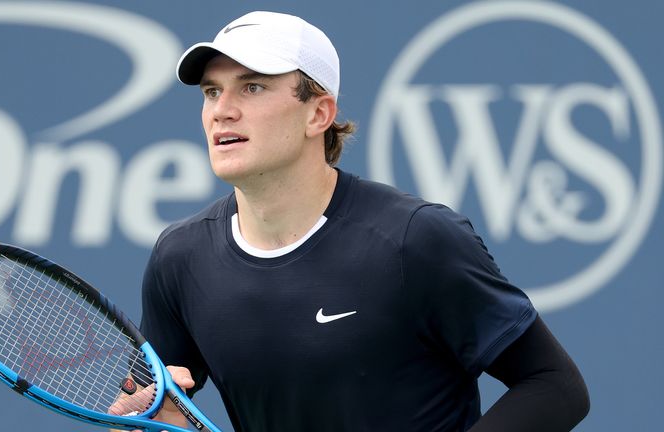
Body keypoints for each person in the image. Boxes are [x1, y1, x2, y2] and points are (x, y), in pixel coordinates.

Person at [113, 11, 590, 431]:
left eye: (252, 86)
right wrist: (141, 424)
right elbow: (144, 413)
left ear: (318, 113)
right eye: (212, 91)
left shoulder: (414, 240)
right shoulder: (179, 259)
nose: (222, 111)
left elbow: (554, 385)